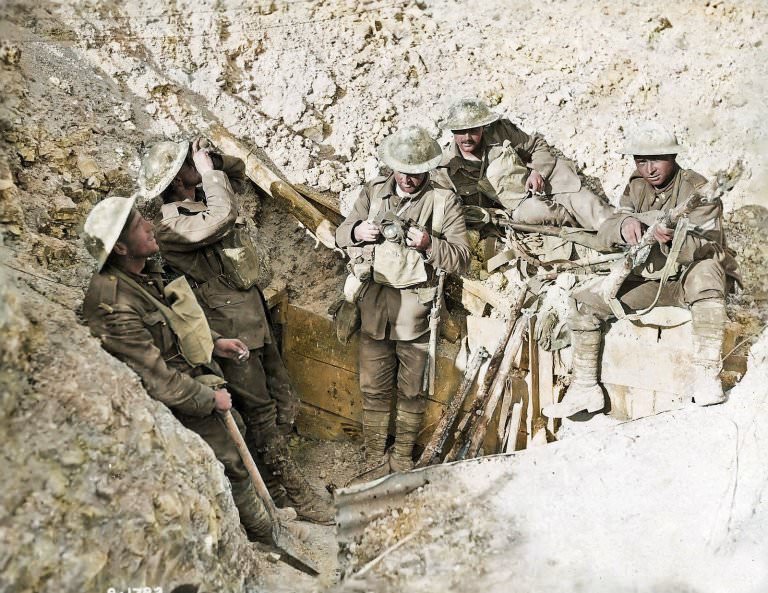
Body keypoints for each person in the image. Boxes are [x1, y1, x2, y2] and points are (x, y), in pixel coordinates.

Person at [137, 139, 332, 524]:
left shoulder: (205, 195)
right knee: (259, 412)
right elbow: (223, 217)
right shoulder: (172, 224)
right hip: (228, 327)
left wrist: (213, 161)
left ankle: (276, 486)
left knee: (281, 399)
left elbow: (238, 171)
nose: (202, 165)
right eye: (188, 164)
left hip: (252, 315)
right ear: (178, 179)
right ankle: (301, 498)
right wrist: (207, 172)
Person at [81, 196, 276, 543]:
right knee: (228, 459)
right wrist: (209, 399)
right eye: (141, 226)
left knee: (240, 431)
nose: (151, 227)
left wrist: (215, 342)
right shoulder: (114, 304)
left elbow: (173, 322)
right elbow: (158, 382)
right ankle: (262, 536)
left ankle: (266, 517)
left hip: (189, 379)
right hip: (172, 402)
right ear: (122, 248)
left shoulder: (141, 274)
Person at [542, 123, 741, 418]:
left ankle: (706, 376)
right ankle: (585, 388)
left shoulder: (699, 190)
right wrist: (625, 225)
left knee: (708, 272)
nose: (648, 169)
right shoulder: (636, 186)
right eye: (641, 160)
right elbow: (609, 226)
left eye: (656, 159)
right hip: (649, 277)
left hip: (687, 277)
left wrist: (672, 236)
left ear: (673, 157)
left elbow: (709, 243)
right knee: (585, 303)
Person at [336, 126, 471, 476]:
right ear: (391, 167)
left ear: (427, 170)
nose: (409, 180)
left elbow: (461, 258)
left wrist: (429, 245)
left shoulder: (443, 202)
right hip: (374, 309)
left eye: (416, 173)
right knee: (373, 388)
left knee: (411, 391)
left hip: (416, 312)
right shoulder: (373, 193)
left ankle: (402, 456)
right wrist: (356, 232)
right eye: (403, 172)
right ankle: (373, 456)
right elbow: (340, 233)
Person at [437, 98, 614, 231]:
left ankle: (626, 233)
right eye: (461, 131)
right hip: (519, 209)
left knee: (589, 205)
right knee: (539, 211)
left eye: (474, 130)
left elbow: (537, 146)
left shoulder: (501, 132)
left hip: (548, 184)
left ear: (483, 127)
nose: (467, 137)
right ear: (452, 131)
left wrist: (537, 172)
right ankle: (586, 234)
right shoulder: (446, 167)